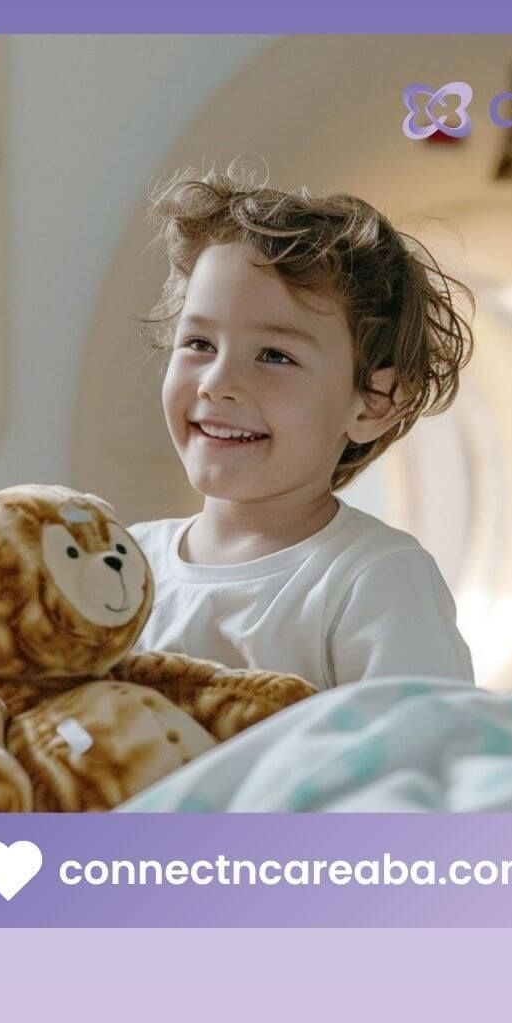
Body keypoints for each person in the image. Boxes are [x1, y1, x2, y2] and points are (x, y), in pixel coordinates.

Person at [127, 163, 478, 689]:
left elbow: (419, 752)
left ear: (372, 403)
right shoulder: (123, 562)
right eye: (199, 344)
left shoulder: (372, 579)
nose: (217, 383)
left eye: (274, 355)